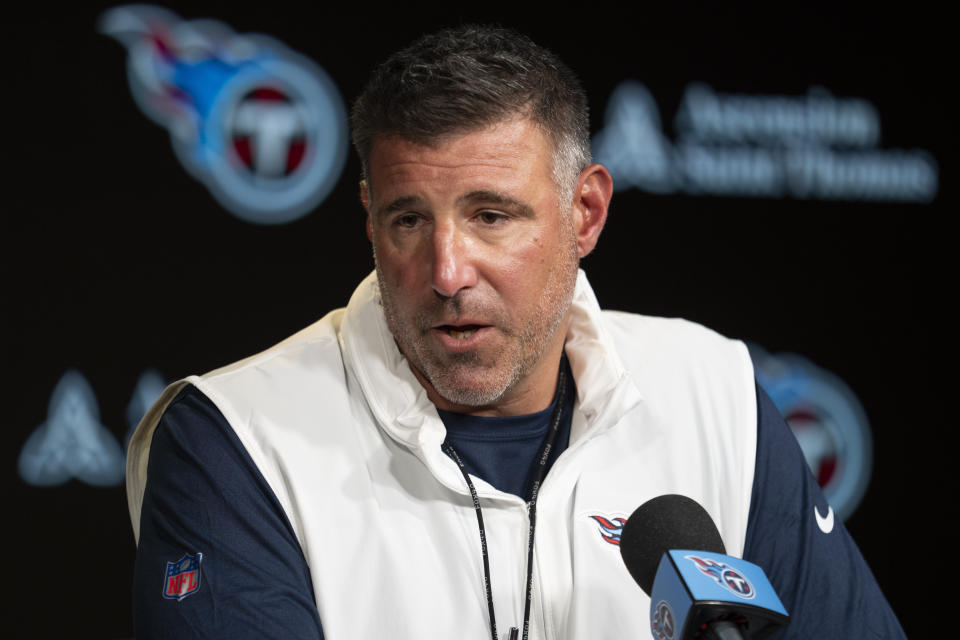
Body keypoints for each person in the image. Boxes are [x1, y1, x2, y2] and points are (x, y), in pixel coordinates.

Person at [125, 25, 905, 639]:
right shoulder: (234, 438)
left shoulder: (715, 391)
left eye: (491, 216)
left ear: (585, 214)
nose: (447, 271)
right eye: (408, 221)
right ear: (370, 223)